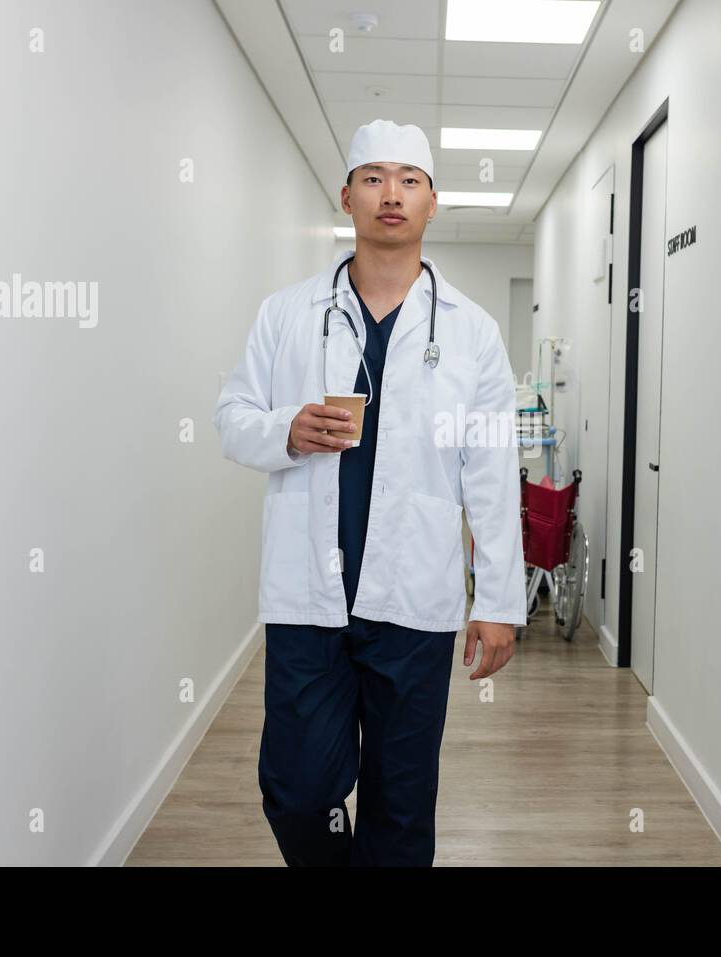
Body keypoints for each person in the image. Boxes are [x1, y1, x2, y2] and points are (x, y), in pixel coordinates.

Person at [212, 118, 527, 866]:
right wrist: (286, 430)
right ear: (347, 194)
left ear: (432, 202)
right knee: (296, 793)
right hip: (306, 600)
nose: (392, 194)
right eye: (376, 178)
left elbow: (489, 470)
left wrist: (499, 603)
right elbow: (231, 418)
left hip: (414, 602)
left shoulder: (473, 333)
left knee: (402, 804)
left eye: (409, 180)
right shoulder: (286, 314)